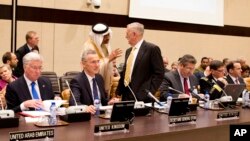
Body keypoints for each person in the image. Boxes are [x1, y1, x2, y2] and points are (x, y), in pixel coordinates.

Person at [116, 22, 165, 102]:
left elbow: (159, 73)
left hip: (143, 97)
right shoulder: (128, 51)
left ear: (134, 34)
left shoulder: (152, 49)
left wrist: (149, 93)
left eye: (127, 33)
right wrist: (119, 91)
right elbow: (125, 73)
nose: (125, 36)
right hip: (126, 95)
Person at [69, 49, 119, 115]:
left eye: (98, 61)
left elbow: (103, 101)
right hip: (88, 118)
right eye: (93, 62)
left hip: (102, 116)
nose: (97, 65)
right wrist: (85, 108)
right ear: (83, 64)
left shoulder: (99, 78)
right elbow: (74, 103)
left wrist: (109, 102)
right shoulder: (77, 81)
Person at [82, 23, 122, 98]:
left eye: (108, 35)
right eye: (105, 36)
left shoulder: (104, 45)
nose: (108, 38)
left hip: (105, 81)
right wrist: (109, 59)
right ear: (98, 37)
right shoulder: (89, 47)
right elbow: (92, 66)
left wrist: (112, 66)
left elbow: (107, 61)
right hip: (92, 83)